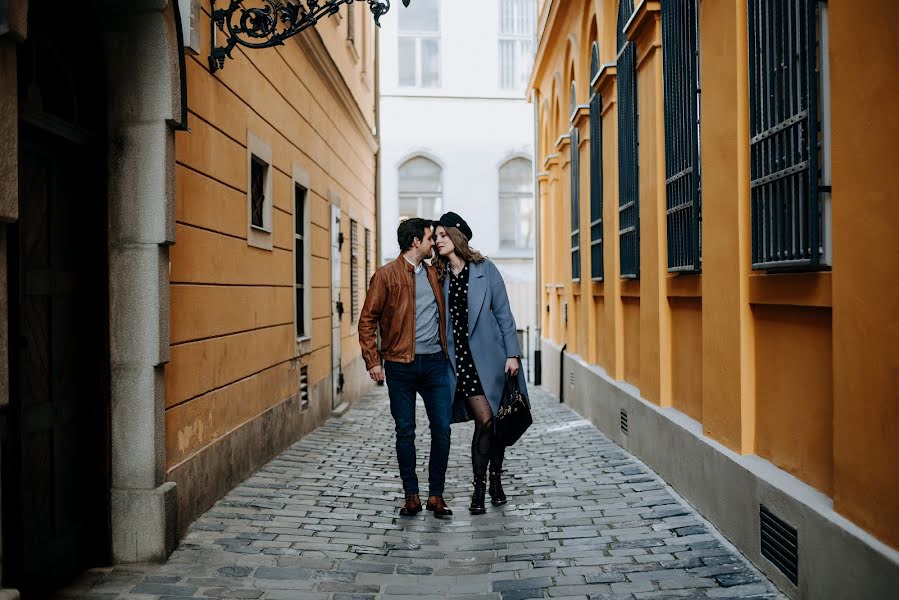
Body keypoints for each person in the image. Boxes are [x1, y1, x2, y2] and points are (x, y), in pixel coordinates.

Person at [358, 218, 454, 518]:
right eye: (428, 238)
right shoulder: (385, 276)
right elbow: (367, 320)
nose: (432, 243)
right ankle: (411, 495)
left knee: (442, 430)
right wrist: (373, 361)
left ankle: (435, 496)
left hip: (435, 364)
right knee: (405, 432)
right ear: (415, 242)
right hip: (400, 365)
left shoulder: (435, 273)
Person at [432, 212, 528, 515]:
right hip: (463, 364)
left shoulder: (486, 269)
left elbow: (503, 313)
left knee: (498, 424)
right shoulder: (440, 276)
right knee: (485, 422)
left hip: (494, 360)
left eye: (443, 235)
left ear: (457, 237)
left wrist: (513, 354)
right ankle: (478, 488)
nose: (438, 241)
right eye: (435, 237)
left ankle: (496, 481)